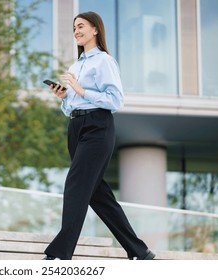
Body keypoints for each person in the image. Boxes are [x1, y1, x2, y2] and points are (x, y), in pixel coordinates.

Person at [43, 11, 155, 260]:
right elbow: (73, 105)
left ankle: (60, 254)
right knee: (96, 193)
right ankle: (139, 250)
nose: (76, 31)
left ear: (95, 29)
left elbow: (115, 100)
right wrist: (65, 98)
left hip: (98, 127)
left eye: (81, 26)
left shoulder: (104, 61)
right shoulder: (76, 65)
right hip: (76, 128)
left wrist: (82, 91)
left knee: (75, 186)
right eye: (74, 28)